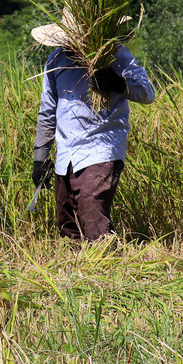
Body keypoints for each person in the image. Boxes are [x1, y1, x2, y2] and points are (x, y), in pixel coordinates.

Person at [31, 20, 155, 241]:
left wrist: (118, 83)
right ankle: (76, 271)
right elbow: (47, 112)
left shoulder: (115, 55)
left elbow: (147, 93)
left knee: (91, 211)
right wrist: (40, 158)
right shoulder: (57, 60)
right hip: (66, 155)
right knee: (67, 220)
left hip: (100, 149)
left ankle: (105, 267)